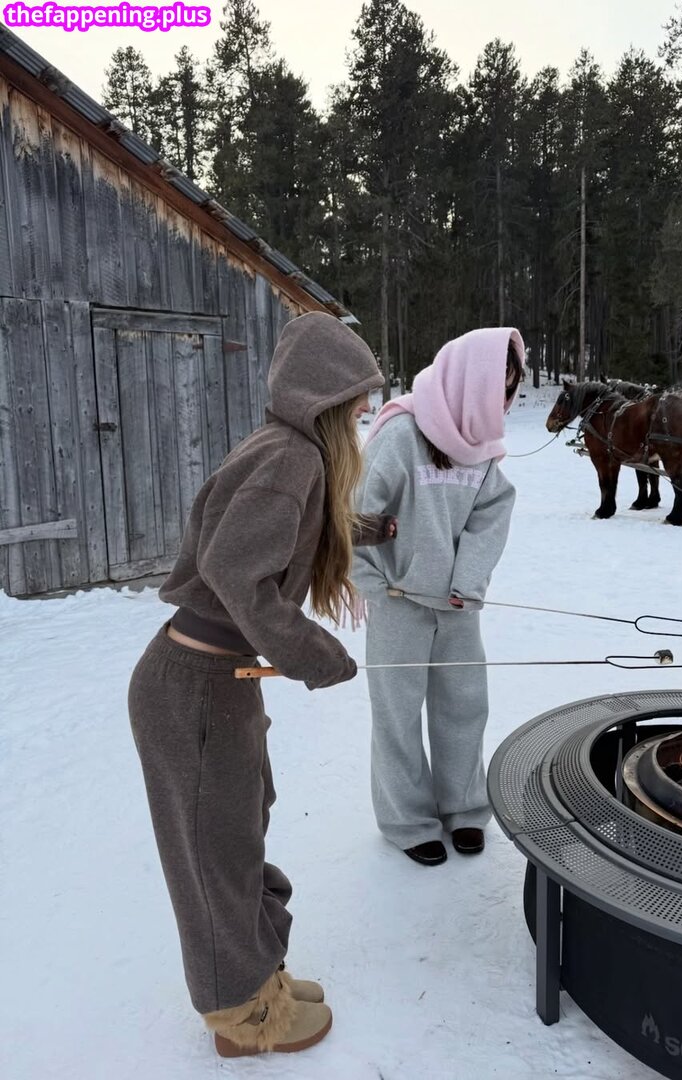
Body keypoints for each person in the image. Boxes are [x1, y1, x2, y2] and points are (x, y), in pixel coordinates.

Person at [128, 312, 396, 1058]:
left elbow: (287, 529)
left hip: (216, 680)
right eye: (355, 402)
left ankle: (259, 975)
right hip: (193, 688)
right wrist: (316, 654)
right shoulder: (291, 458)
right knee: (215, 854)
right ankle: (243, 1018)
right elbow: (235, 570)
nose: (363, 414)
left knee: (241, 832)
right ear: (324, 398)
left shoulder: (288, 451)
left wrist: (366, 529)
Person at [351, 327, 524, 866]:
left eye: (510, 388)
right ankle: (408, 821)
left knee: (464, 706)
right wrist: (373, 584)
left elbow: (490, 515)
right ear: (468, 381)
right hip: (398, 601)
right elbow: (351, 515)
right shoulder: (401, 434)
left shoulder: (482, 449)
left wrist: (467, 582)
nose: (502, 400)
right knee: (397, 715)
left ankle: (465, 810)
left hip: (456, 606)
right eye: (496, 386)